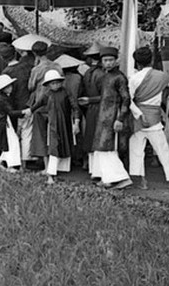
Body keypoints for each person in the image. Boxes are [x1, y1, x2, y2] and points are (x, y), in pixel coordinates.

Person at [127, 46, 169, 190]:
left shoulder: (133, 78)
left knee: (136, 150)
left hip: (137, 119)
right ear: (152, 60)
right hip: (154, 118)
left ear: (137, 62)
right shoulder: (162, 76)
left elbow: (128, 100)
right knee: (163, 150)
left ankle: (140, 180)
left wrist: (139, 114)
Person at [91, 46, 132, 189]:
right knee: (100, 146)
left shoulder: (119, 77)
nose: (108, 63)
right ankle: (105, 177)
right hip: (103, 116)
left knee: (107, 148)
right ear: (101, 62)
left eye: (111, 60)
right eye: (105, 60)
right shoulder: (105, 76)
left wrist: (120, 119)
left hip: (113, 117)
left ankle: (119, 178)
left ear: (116, 61)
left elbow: (126, 99)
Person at [32, 70, 80, 184]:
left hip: (65, 124)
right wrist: (29, 111)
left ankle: (61, 171)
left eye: (57, 82)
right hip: (53, 125)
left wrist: (76, 122)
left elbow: (75, 107)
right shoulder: (47, 94)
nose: (55, 85)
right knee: (54, 148)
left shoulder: (66, 93)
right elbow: (38, 104)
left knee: (64, 145)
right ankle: (50, 175)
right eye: (52, 83)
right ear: (48, 84)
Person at [78, 43, 105, 179]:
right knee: (99, 138)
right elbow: (105, 95)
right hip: (100, 107)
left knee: (90, 136)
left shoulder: (87, 72)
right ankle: (98, 170)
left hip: (89, 109)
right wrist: (91, 100)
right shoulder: (101, 74)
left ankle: (91, 167)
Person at [0, 73, 28, 171]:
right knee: (12, 143)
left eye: (10, 85)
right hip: (6, 124)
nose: (10, 88)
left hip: (7, 123)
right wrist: (23, 112)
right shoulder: (2, 99)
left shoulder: (6, 97)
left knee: (9, 143)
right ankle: (10, 166)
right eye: (7, 86)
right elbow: (10, 112)